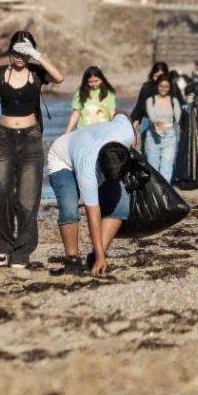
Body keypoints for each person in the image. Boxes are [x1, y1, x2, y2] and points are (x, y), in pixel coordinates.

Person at [0, 31, 65, 269]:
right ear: (10, 51)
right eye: (16, 51)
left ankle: (22, 251)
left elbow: (59, 77)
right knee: (0, 195)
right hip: (3, 139)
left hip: (31, 140)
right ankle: (0, 246)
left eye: (24, 51)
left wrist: (36, 55)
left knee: (27, 198)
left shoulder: (37, 73)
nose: (20, 56)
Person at [47, 114, 135, 276]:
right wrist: (103, 258)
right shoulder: (88, 170)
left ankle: (94, 256)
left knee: (121, 206)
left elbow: (121, 114)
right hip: (62, 159)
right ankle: (72, 260)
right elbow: (93, 215)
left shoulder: (126, 132)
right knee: (69, 206)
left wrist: (134, 150)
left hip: (96, 151)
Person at [130, 62, 183, 145]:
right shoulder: (147, 87)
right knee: (148, 154)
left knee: (169, 154)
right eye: (156, 76)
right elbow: (139, 108)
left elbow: (180, 106)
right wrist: (132, 130)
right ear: (152, 75)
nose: (159, 79)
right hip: (147, 123)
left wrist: (181, 126)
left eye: (161, 76)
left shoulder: (173, 87)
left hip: (169, 124)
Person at [142, 76, 182, 181]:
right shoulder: (151, 100)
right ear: (157, 86)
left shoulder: (174, 101)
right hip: (153, 137)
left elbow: (178, 118)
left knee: (167, 167)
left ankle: (165, 193)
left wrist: (177, 128)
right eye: (161, 86)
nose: (164, 88)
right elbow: (151, 115)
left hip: (169, 137)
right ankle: (154, 192)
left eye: (166, 86)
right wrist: (157, 122)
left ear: (170, 87)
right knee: (153, 167)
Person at [65, 66, 117, 134]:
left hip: (103, 131)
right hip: (84, 132)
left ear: (101, 79)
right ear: (85, 81)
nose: (93, 84)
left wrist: (115, 130)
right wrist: (67, 132)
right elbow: (75, 115)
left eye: (96, 81)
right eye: (90, 82)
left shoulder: (108, 93)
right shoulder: (80, 93)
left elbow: (112, 113)